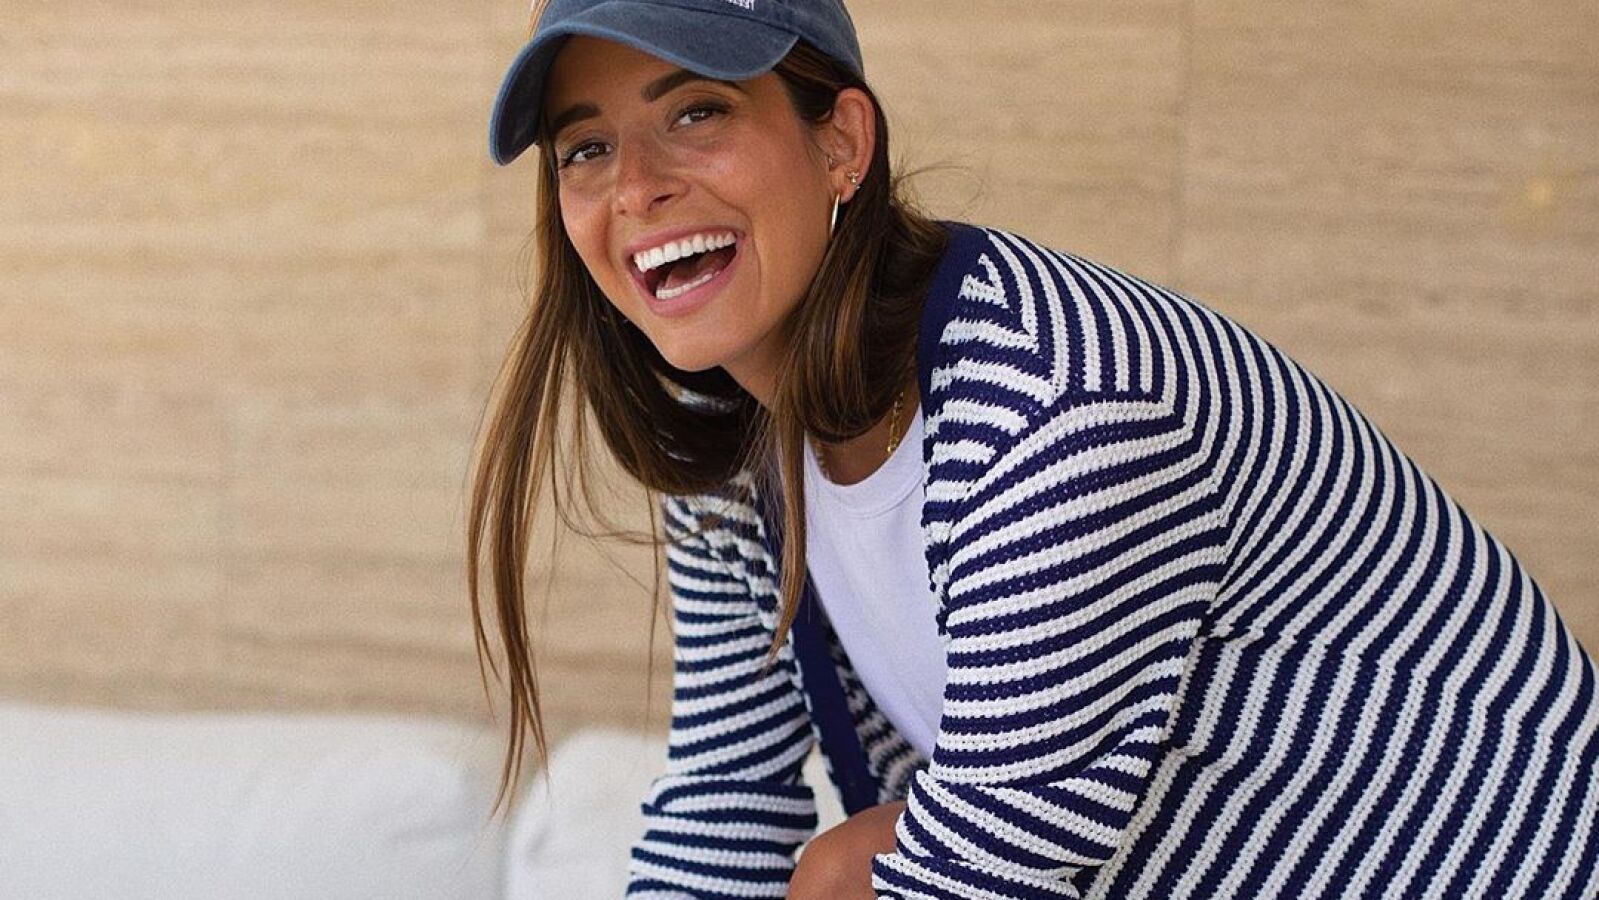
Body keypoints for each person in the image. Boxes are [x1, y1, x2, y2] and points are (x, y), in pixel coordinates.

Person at [472, 1, 1599, 897]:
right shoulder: (735, 458)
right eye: (585, 147)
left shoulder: (1052, 402)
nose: (637, 187)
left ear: (841, 142)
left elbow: (980, 871)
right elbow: (727, 801)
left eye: (697, 113)